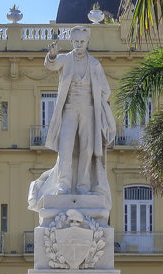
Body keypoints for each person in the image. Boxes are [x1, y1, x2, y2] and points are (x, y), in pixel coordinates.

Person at [28, 25, 115, 210]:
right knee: (65, 148)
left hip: (89, 110)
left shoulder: (94, 64)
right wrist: (51, 54)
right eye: (76, 41)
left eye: (82, 41)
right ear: (71, 41)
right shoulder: (66, 59)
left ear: (88, 41)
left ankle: (83, 186)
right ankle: (64, 185)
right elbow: (51, 64)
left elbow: (106, 91)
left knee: (87, 149)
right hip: (68, 109)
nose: (79, 44)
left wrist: (98, 100)